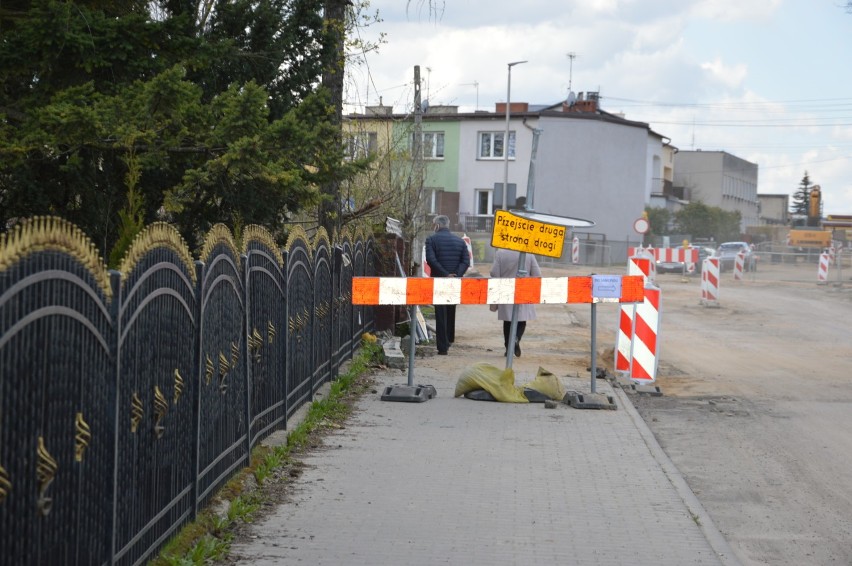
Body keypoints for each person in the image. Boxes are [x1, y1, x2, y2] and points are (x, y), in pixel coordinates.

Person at [425, 215, 470, 355]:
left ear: (437, 225)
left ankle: (443, 347)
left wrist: (445, 274)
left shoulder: (431, 240)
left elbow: (430, 260)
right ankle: (450, 338)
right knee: (451, 309)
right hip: (455, 281)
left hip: (439, 280)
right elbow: (465, 261)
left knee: (440, 312)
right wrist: (456, 274)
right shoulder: (460, 241)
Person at [490, 248, 541, 357]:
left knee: (508, 321)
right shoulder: (529, 254)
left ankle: (508, 348)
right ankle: (516, 339)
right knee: (521, 319)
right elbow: (537, 274)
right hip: (524, 290)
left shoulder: (500, 253)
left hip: (505, 289)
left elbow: (494, 272)